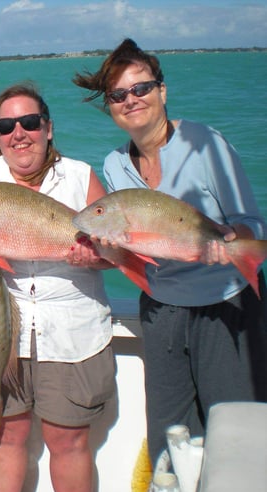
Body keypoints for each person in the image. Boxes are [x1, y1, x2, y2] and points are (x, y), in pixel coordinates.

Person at [72, 38, 267, 465]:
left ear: (162, 91)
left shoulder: (204, 143)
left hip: (225, 305)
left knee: (233, 431)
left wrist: (231, 242)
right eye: (119, 95)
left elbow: (251, 223)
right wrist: (105, 253)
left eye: (141, 88)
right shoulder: (114, 165)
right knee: (170, 434)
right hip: (161, 310)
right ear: (110, 106)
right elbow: (136, 248)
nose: (131, 100)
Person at [0, 82, 117, 492]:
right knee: (7, 434)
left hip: (74, 332)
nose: (19, 133)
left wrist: (98, 257)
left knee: (67, 442)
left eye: (29, 122)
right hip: (4, 329)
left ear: (48, 128)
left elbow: (116, 251)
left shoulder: (81, 178)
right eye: (6, 125)